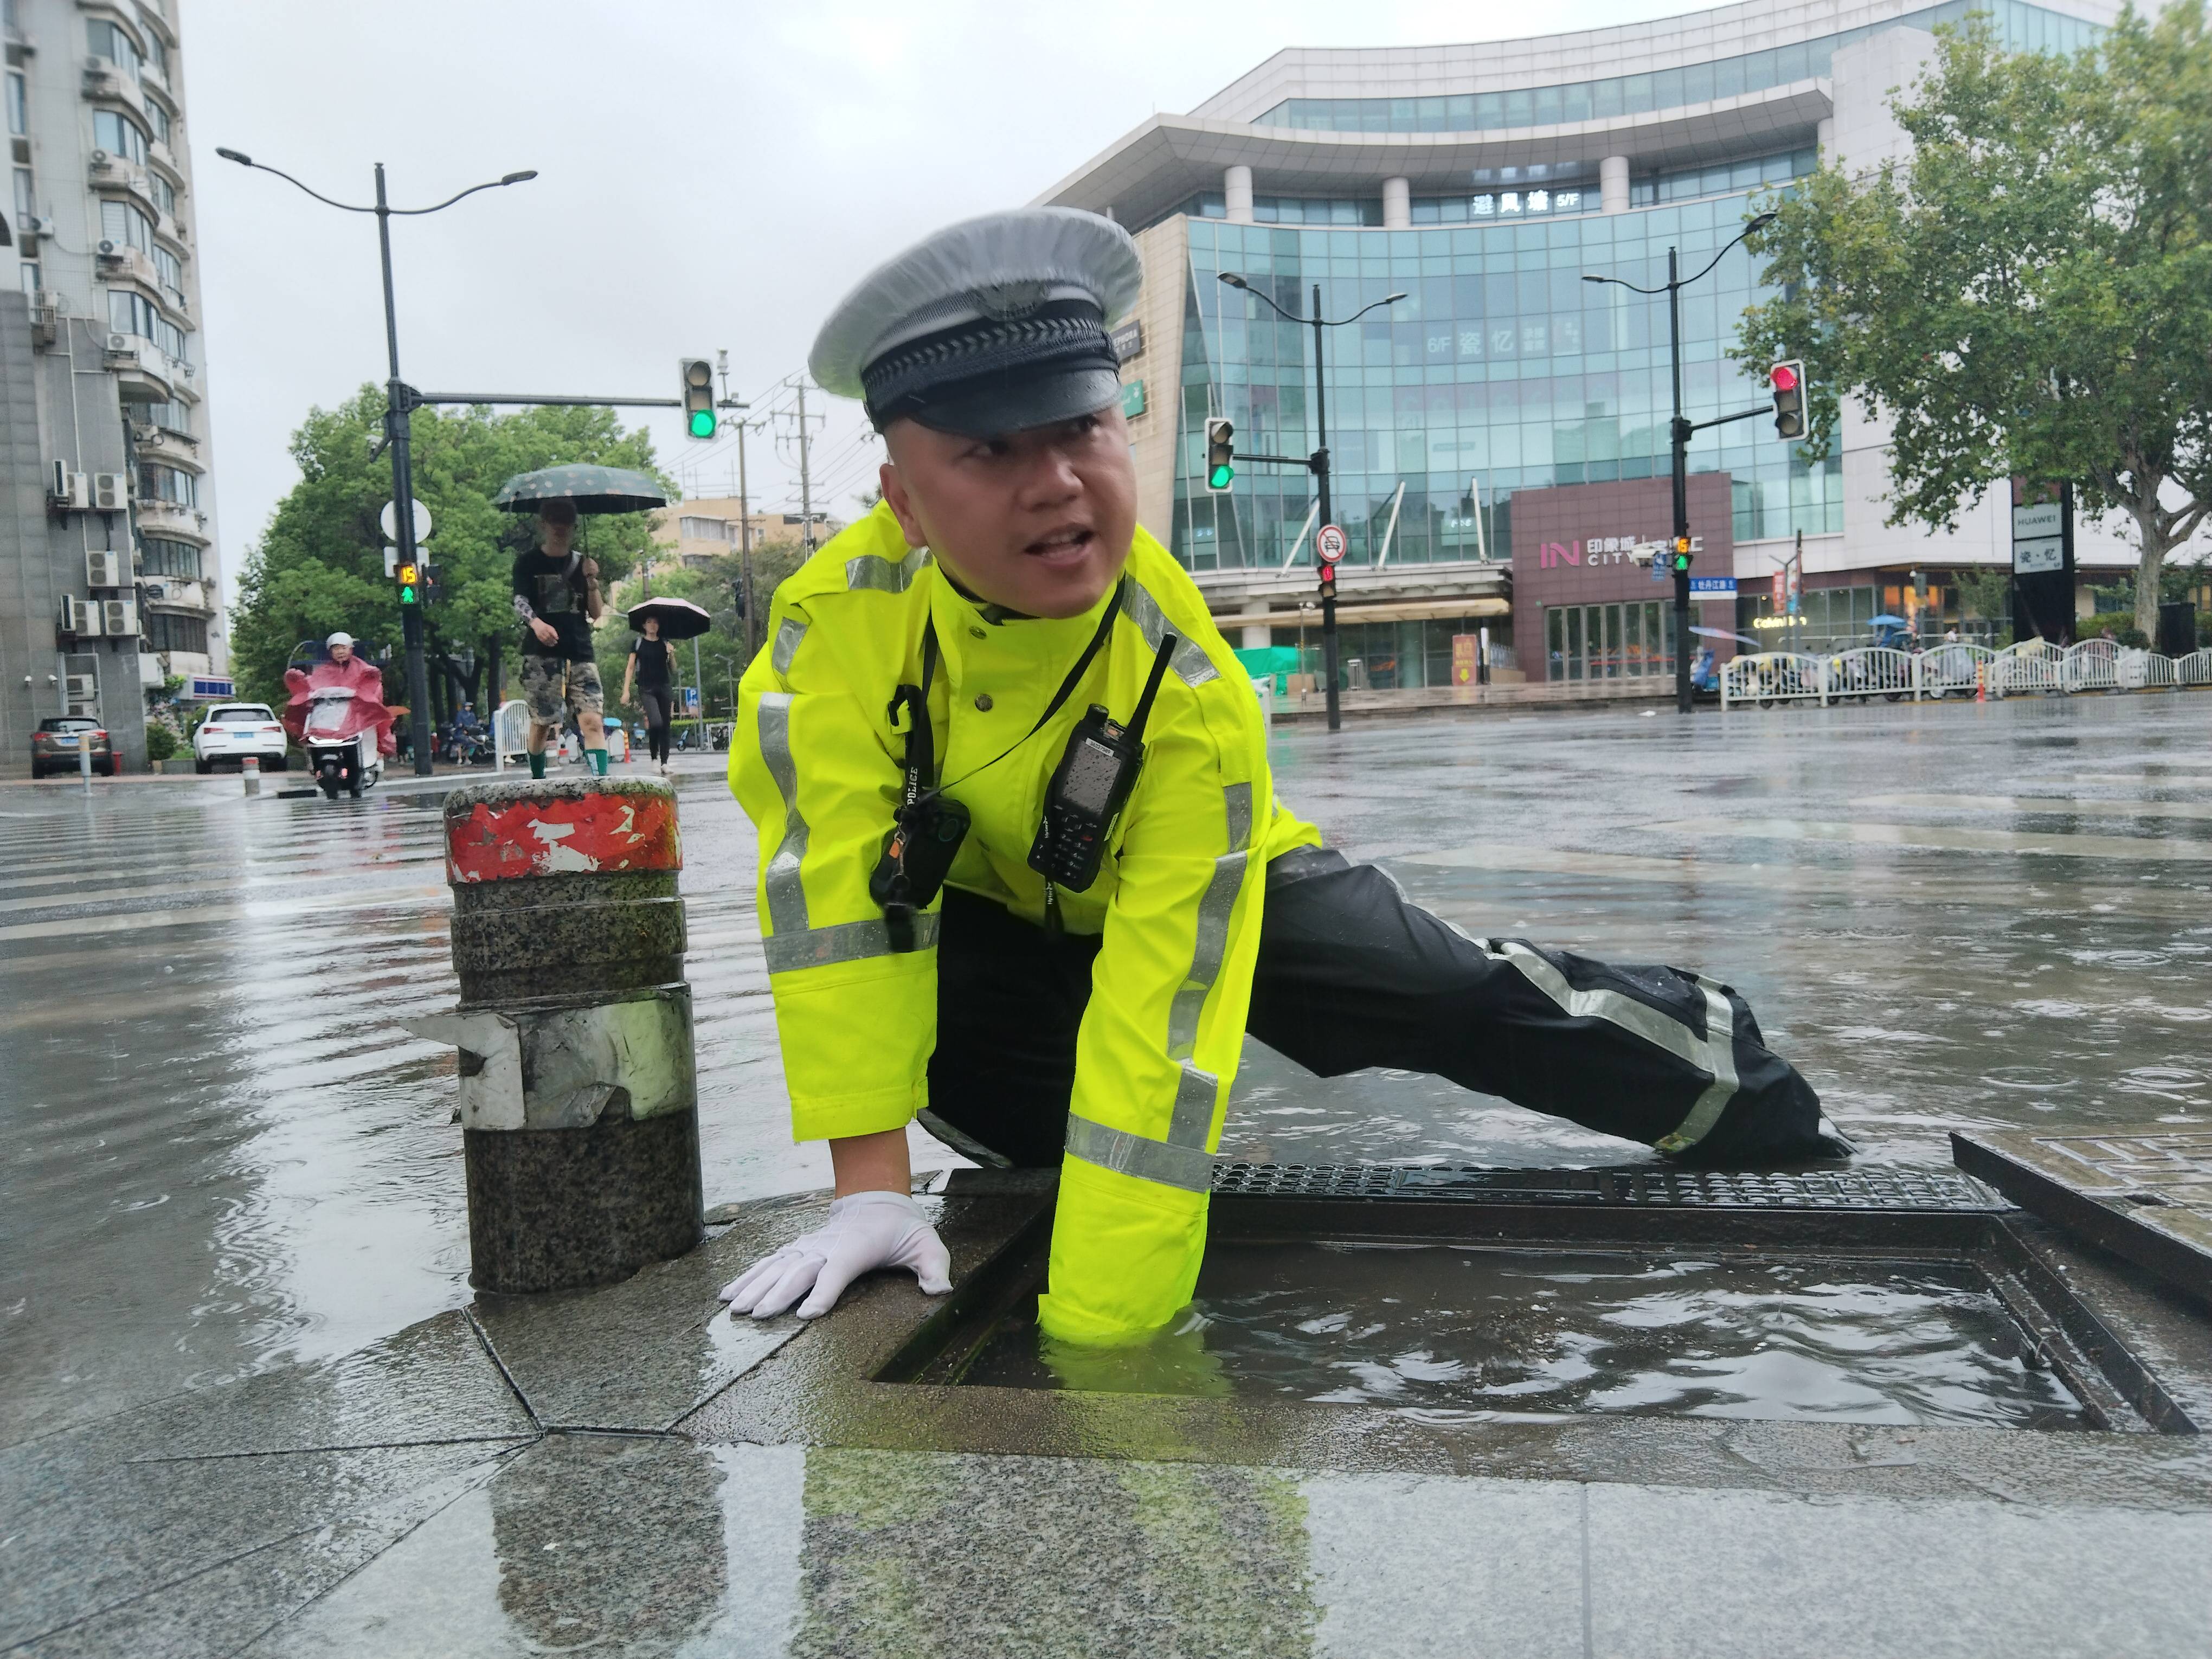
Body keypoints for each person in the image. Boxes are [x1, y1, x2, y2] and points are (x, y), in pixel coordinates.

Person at [718, 209, 1843, 1345]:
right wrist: (867, 1188)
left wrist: (1107, 1351)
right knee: (988, 1066)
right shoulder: (828, 639)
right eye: (989, 450)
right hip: (998, 908)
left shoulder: (1186, 685)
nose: (1056, 483)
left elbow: (1158, 1025)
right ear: (903, 502)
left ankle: (1725, 1079)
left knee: (1438, 995)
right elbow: (845, 922)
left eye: (1081, 428)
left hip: (1214, 871)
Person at [511, 500, 608, 778]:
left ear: (574, 526)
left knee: (592, 720)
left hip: (580, 650)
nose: (561, 527)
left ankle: (600, 786)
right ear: (544, 524)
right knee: (542, 722)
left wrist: (592, 582)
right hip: (541, 653)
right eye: (555, 521)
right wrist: (536, 622)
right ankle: (538, 780)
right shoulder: (528, 562)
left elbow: (596, 613)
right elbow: (519, 600)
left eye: (567, 521)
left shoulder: (583, 564)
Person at [622, 615, 676, 775]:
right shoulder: (638, 643)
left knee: (666, 724)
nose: (653, 625)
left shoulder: (665, 642)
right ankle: (654, 758)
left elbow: (673, 669)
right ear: (644, 626)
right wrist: (626, 690)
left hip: (664, 686)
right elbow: (630, 667)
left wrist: (671, 654)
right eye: (649, 622)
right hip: (646, 688)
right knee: (656, 723)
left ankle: (665, 762)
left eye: (656, 622)